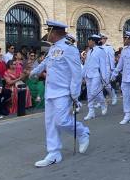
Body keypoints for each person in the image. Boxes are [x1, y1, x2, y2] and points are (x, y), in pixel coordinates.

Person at [27, 20, 89, 167]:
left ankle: (82, 132)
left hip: (63, 91)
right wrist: (34, 72)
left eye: (48, 31)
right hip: (50, 91)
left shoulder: (69, 49)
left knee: (61, 121)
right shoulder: (53, 48)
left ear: (54, 32)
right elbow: (46, 63)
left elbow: (76, 73)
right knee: (50, 123)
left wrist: (75, 94)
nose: (46, 34)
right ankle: (54, 153)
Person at [81, 34, 110, 120]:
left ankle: (103, 103)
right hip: (88, 75)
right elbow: (86, 65)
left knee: (93, 92)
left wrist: (105, 79)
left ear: (93, 41)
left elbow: (103, 66)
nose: (88, 43)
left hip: (96, 75)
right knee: (90, 94)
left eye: (89, 41)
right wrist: (82, 75)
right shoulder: (89, 51)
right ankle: (91, 112)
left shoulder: (101, 51)